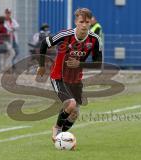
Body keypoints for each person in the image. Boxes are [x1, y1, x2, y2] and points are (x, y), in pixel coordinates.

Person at [37, 8, 102, 142]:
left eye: (87, 22)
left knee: (74, 114)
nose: (84, 25)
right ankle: (56, 128)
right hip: (58, 76)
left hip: (76, 80)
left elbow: (98, 64)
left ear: (90, 23)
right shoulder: (65, 35)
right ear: (76, 22)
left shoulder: (94, 40)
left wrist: (80, 64)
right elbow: (44, 44)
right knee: (70, 104)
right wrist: (41, 66)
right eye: (81, 21)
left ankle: (61, 137)